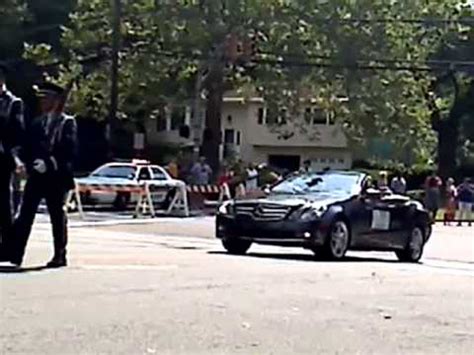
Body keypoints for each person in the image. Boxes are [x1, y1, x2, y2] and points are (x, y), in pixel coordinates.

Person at [10, 82, 78, 267]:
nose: (43, 102)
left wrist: (49, 163)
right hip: (37, 176)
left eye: (47, 98)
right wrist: (21, 161)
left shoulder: (66, 123)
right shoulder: (37, 122)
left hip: (56, 177)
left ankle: (60, 254)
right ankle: (15, 254)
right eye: (42, 99)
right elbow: (27, 147)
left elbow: (69, 150)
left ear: (56, 101)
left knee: (57, 216)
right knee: (25, 214)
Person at [0, 64, 25, 262]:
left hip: (2, 158)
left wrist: (15, 156)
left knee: (4, 204)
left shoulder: (13, 103)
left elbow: (17, 131)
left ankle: (7, 247)